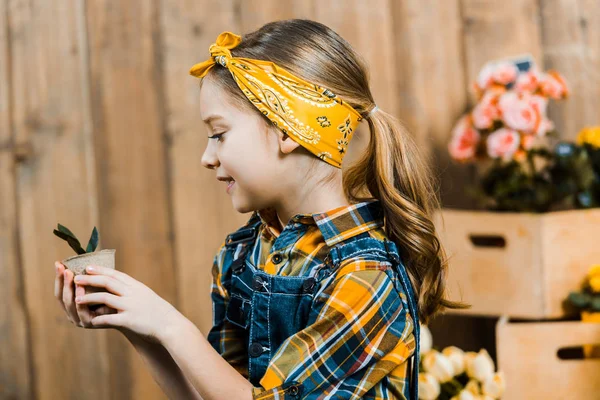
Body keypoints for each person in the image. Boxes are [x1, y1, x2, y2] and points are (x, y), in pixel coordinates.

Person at [54, 19, 465, 400]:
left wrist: (169, 324)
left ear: (288, 130)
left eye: (219, 134)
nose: (206, 157)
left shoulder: (366, 279)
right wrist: (139, 328)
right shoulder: (242, 255)